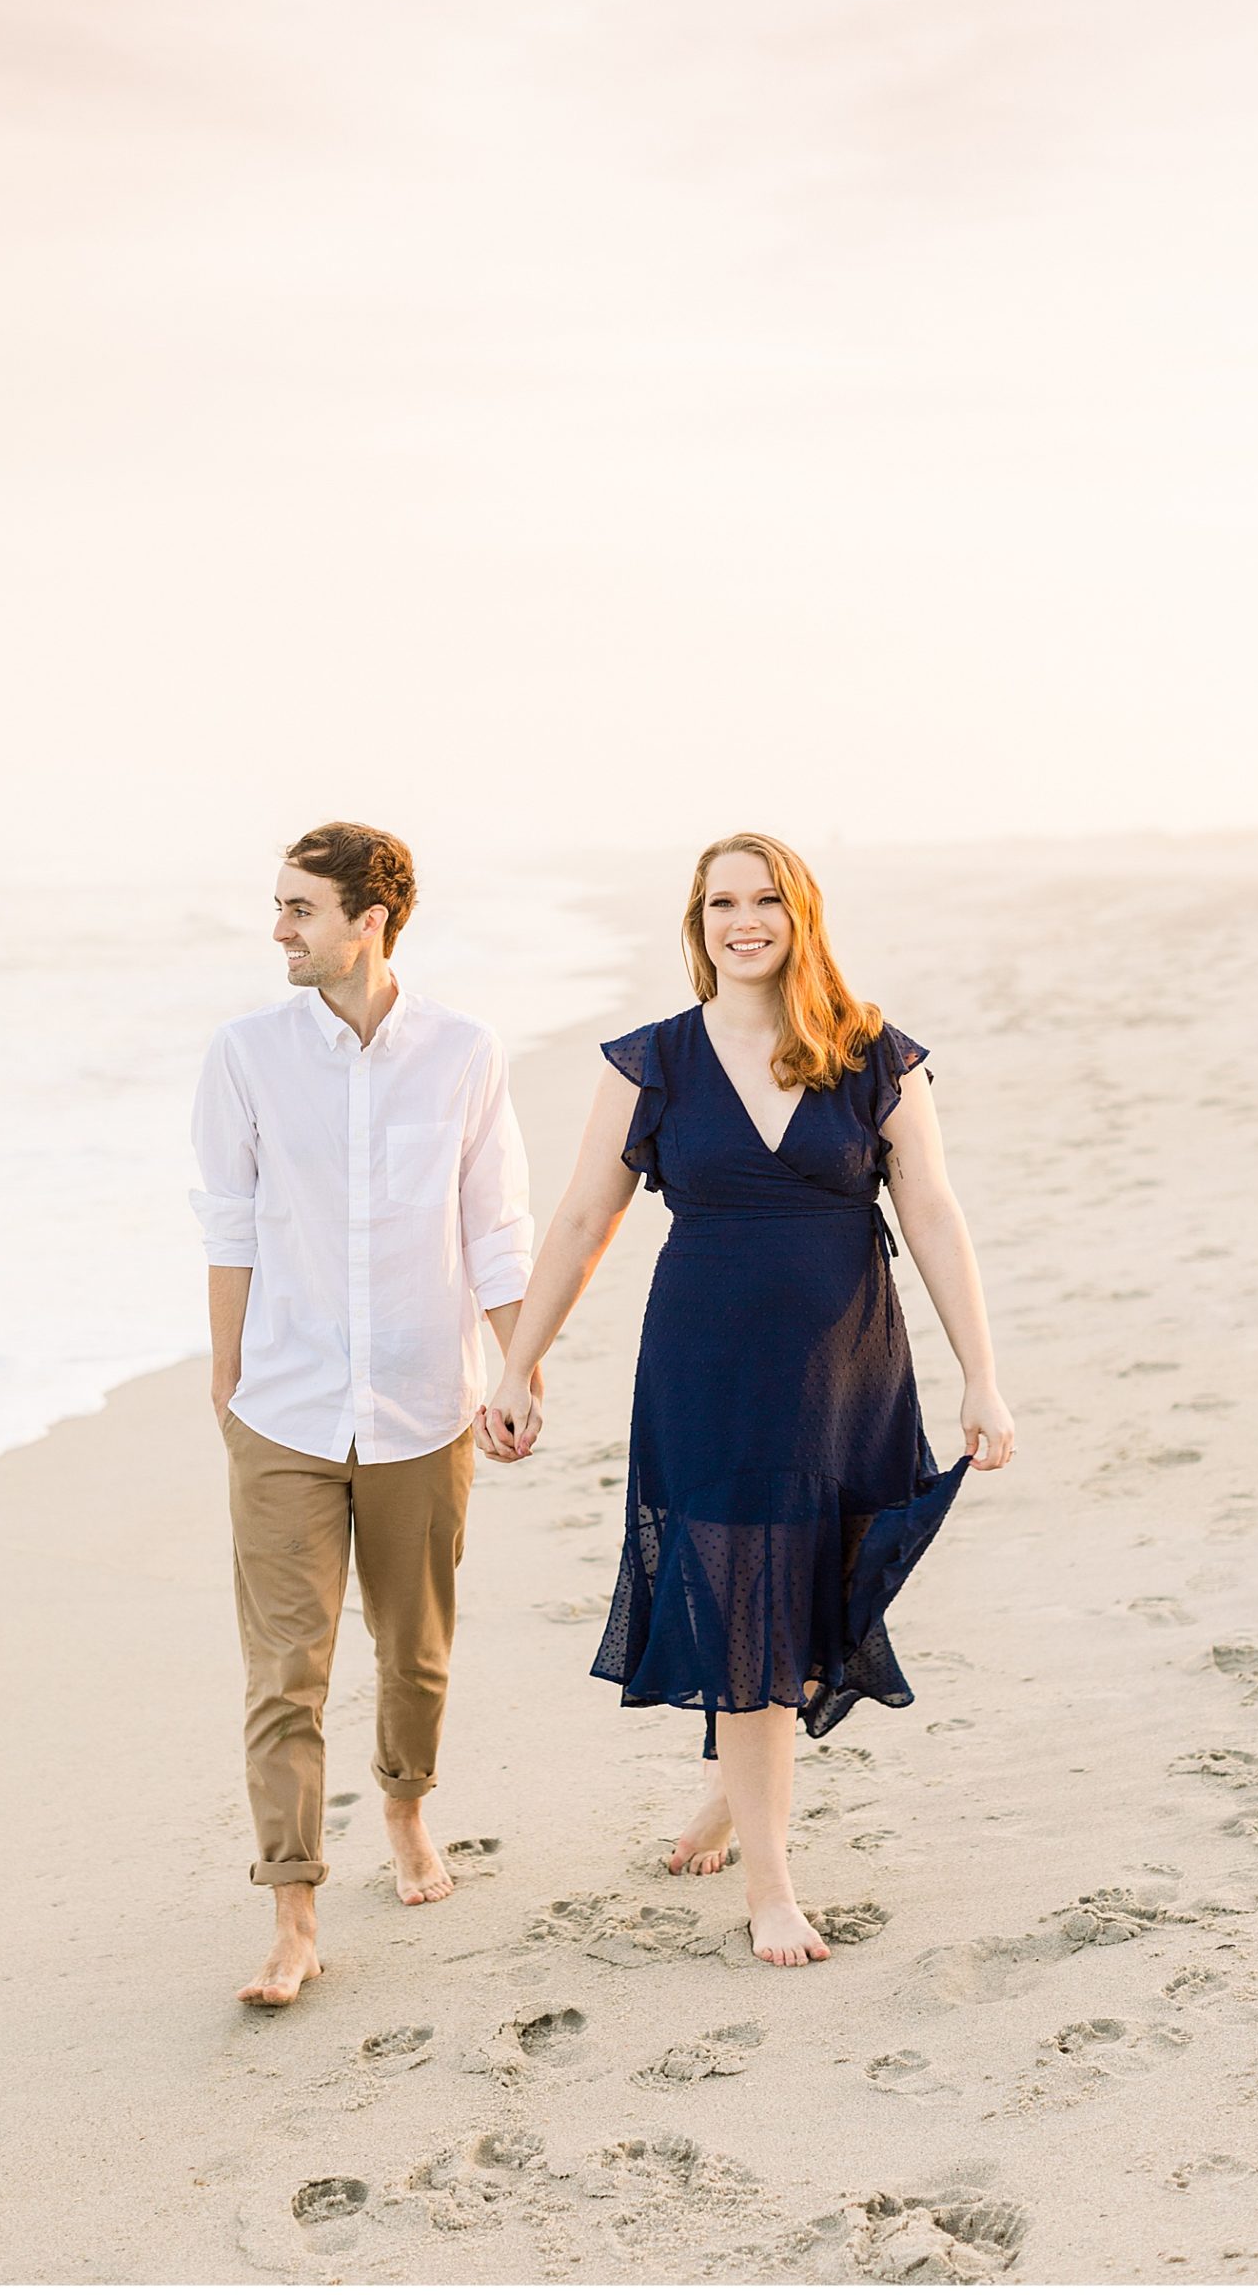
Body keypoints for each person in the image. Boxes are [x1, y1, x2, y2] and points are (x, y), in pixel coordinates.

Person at [478, 831, 1014, 1968]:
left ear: (800, 913)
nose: (744, 920)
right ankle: (772, 1886)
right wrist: (519, 1360)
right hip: (708, 1368)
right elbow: (583, 1218)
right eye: (722, 902)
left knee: (818, 1589)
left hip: (845, 1364)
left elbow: (931, 1213)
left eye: (766, 898)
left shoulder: (872, 1053)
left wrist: (982, 1371)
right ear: (697, 921)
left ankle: (735, 1790)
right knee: (747, 1605)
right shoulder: (653, 1062)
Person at [191, 821, 536, 2007]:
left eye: (300, 908)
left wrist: (517, 1366)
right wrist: (228, 1380)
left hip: (425, 1404)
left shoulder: (464, 1052)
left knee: (417, 1653)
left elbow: (495, 1222)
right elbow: (226, 1219)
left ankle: (404, 1805)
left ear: (369, 920)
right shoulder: (244, 1053)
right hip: (282, 1408)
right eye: (279, 905)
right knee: (285, 1668)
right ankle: (293, 1911)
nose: (279, 928)